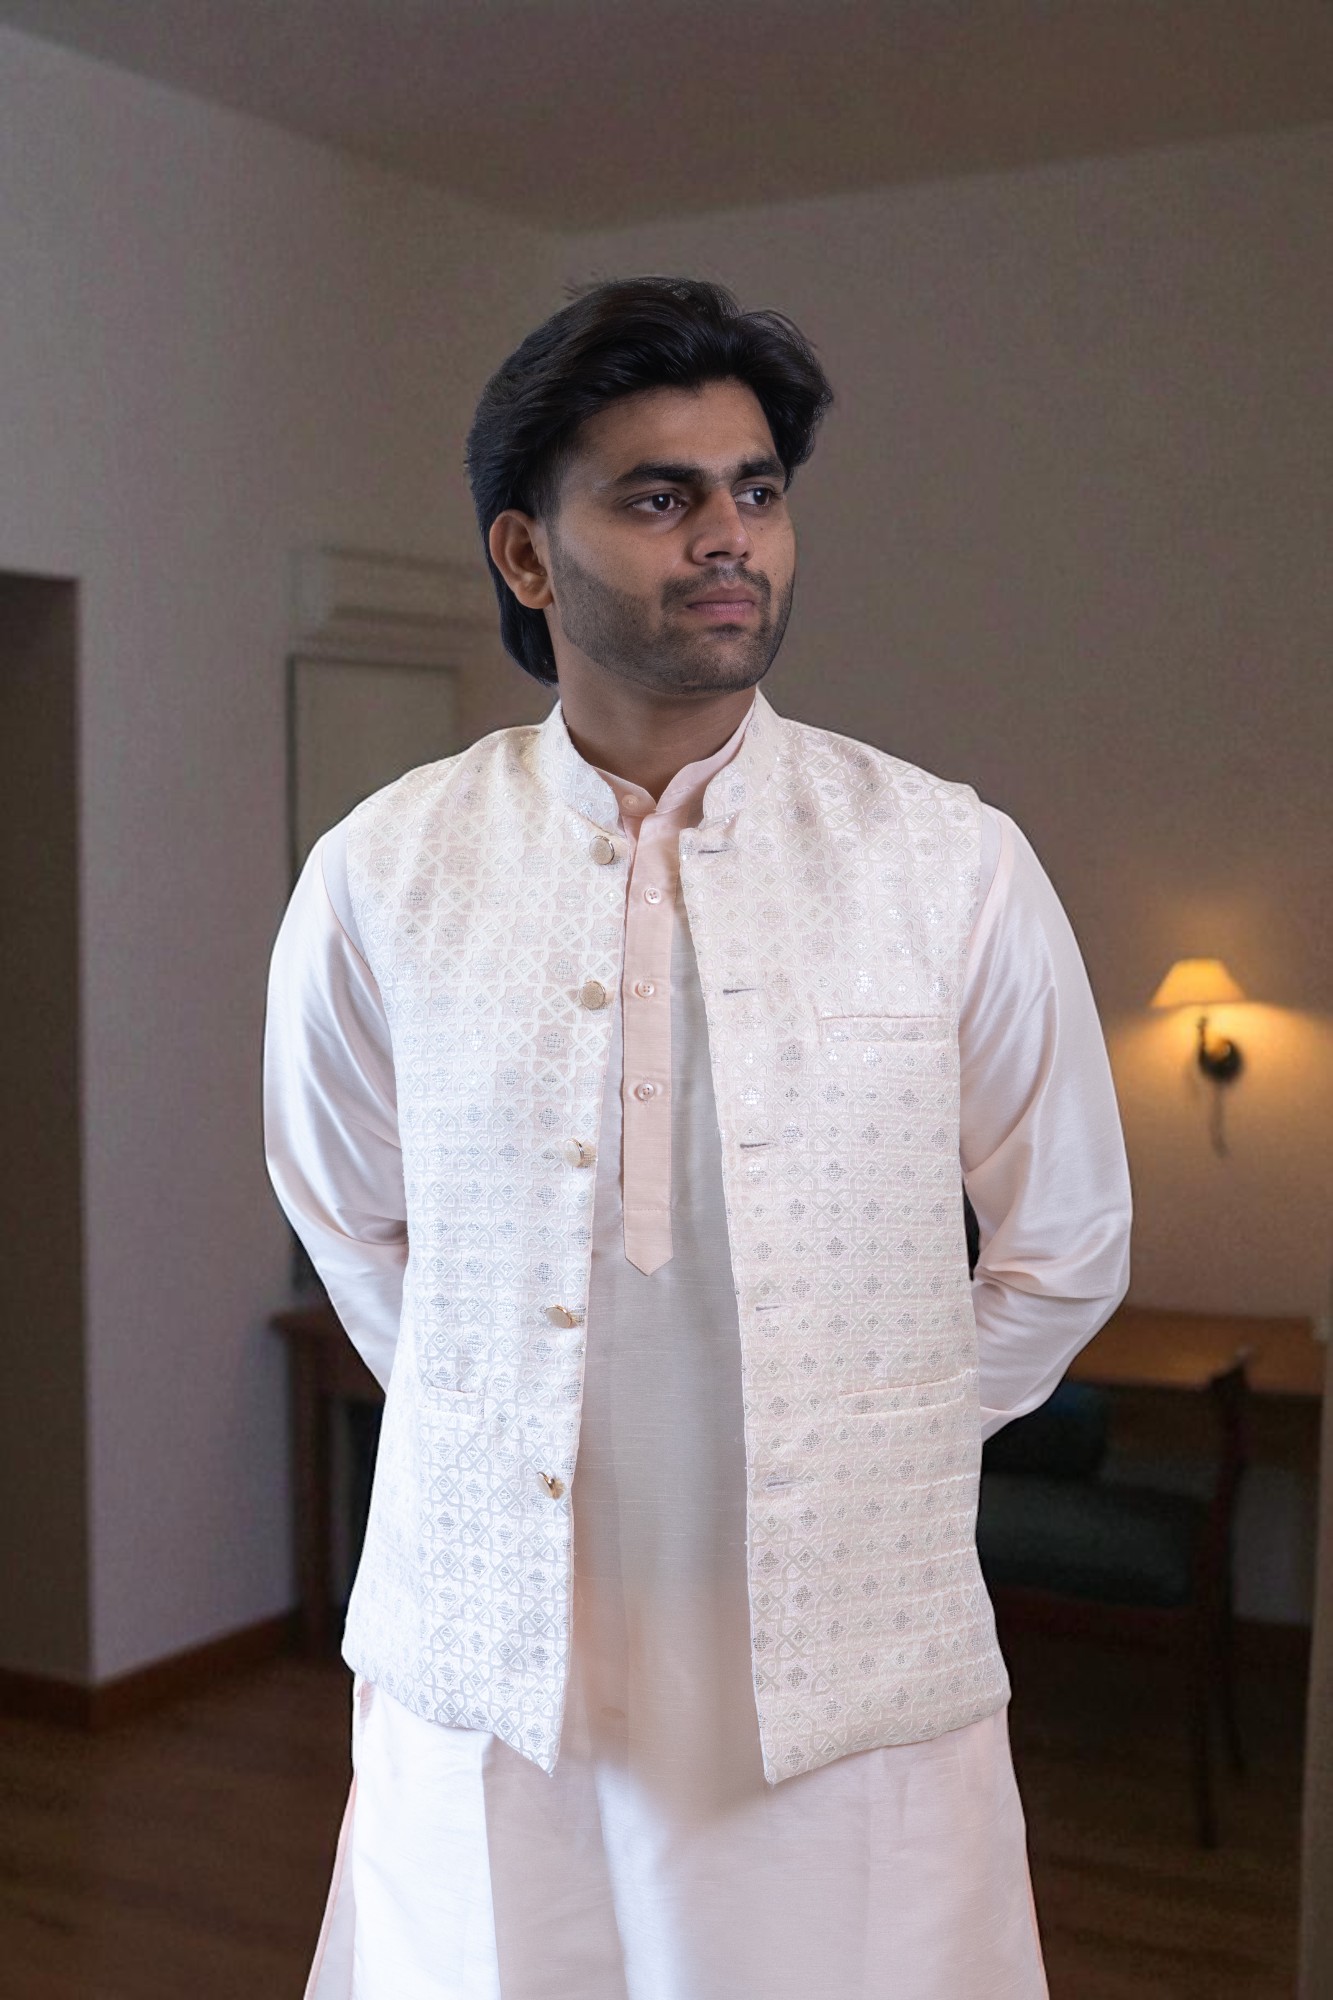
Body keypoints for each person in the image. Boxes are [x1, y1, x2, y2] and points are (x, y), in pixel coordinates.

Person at [264, 276, 1132, 2000]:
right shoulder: (387, 868)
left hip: (837, 1642)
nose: (727, 536)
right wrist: (505, 1410)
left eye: (756, 489)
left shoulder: (946, 859)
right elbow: (348, 1220)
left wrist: (867, 1434)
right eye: (659, 496)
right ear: (528, 556)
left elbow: (1066, 1245)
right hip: (499, 1637)